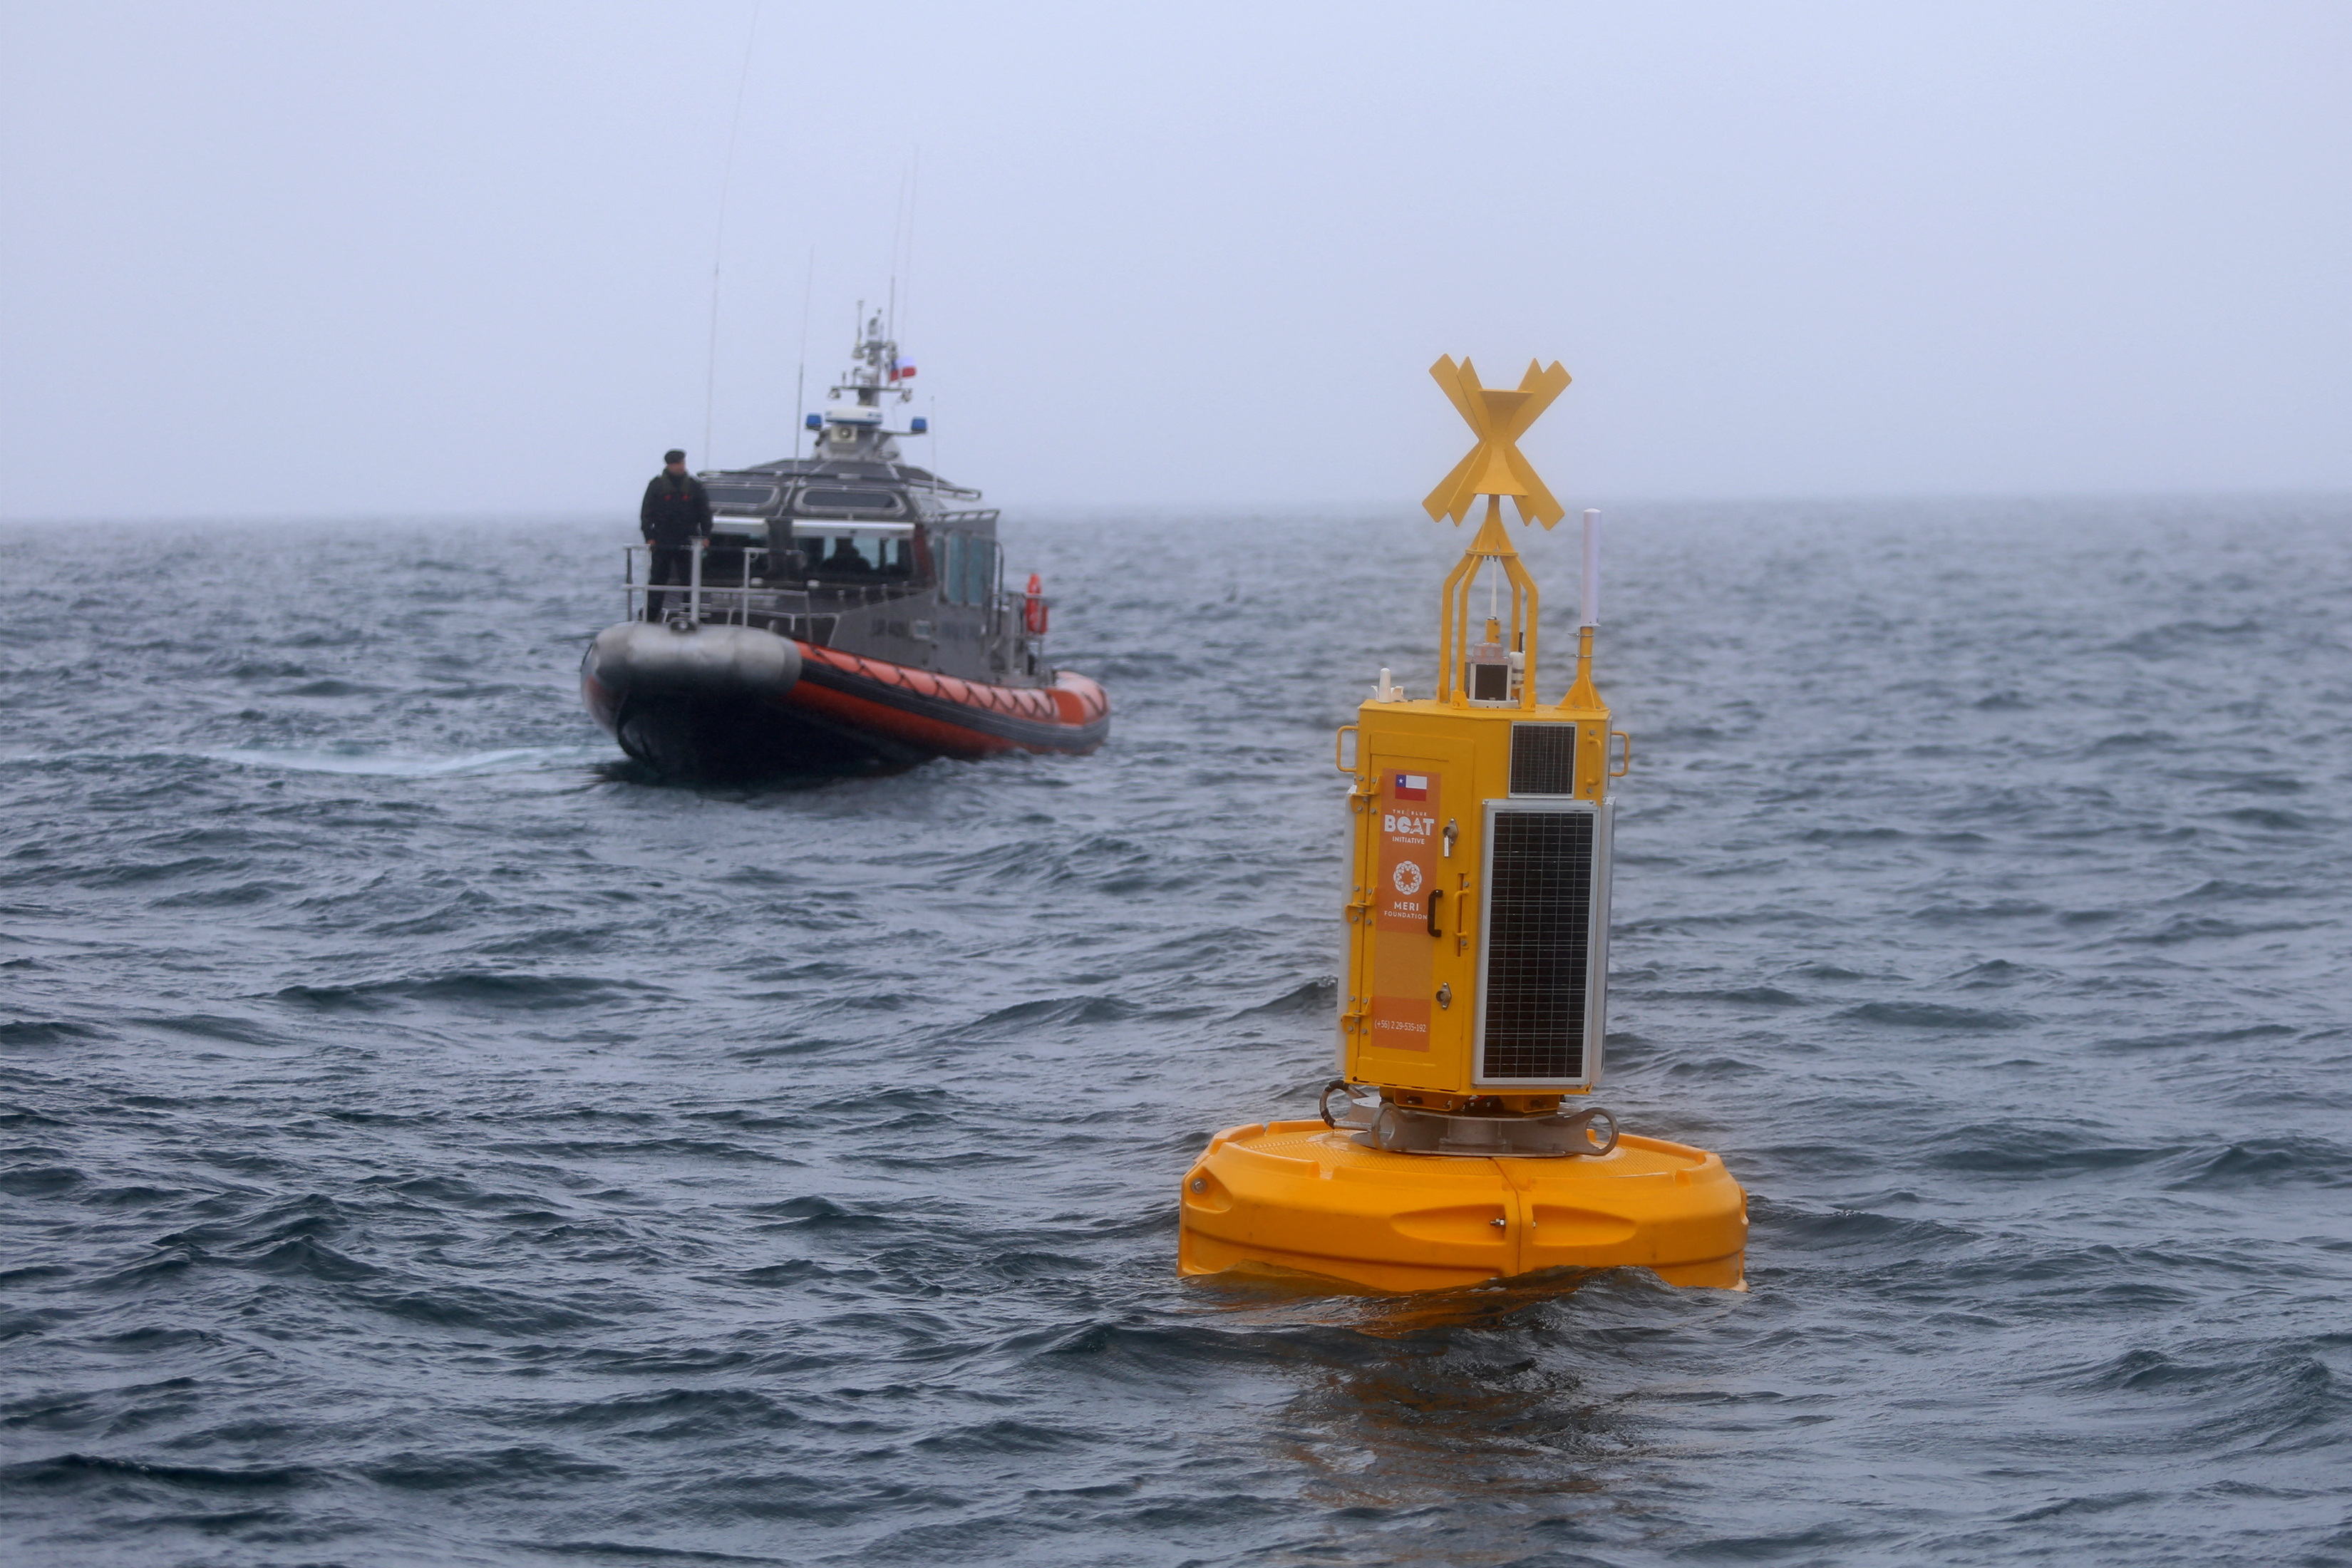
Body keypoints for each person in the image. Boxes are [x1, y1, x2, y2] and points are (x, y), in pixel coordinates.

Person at [640, 450, 713, 621]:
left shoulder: (694, 485)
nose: (681, 466)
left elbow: (704, 512)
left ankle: (691, 614)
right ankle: (651, 615)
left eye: (682, 462)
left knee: (689, 579)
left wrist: (706, 535)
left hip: (687, 540)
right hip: (662, 540)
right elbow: (646, 513)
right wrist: (649, 537)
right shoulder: (656, 486)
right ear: (669, 465)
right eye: (678, 463)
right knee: (658, 579)